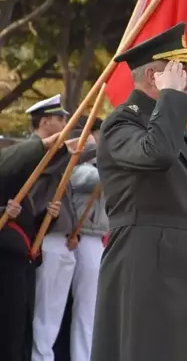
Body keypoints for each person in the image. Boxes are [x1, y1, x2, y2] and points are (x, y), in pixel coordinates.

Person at [91, 22, 187, 361]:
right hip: (146, 261)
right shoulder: (121, 123)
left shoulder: (173, 126)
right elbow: (155, 154)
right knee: (149, 350)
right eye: (181, 69)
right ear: (153, 78)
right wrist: (171, 96)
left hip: (182, 261)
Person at [29, 96, 98, 361]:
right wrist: (42, 213)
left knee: (54, 312)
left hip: (63, 240)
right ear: (44, 121)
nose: (66, 123)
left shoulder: (54, 155)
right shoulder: (34, 156)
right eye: (61, 119)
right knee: (43, 313)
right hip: (44, 239)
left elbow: (89, 148)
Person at [0, 131, 66, 361]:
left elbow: (30, 230)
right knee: (7, 329)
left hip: (22, 268)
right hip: (5, 268)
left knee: (21, 327)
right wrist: (3, 213)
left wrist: (48, 218)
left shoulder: (21, 193)